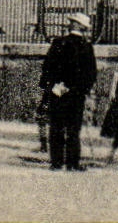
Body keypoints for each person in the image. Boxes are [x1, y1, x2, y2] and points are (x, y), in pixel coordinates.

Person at [39, 11, 97, 171]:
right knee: (74, 129)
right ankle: (72, 163)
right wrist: (82, 90)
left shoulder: (59, 43)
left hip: (58, 91)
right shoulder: (86, 47)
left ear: (76, 26)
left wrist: (52, 86)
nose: (69, 23)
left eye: (72, 21)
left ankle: (56, 162)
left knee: (56, 127)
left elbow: (47, 67)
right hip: (76, 94)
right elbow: (91, 74)